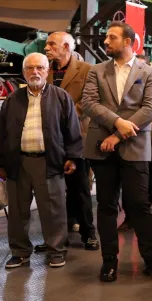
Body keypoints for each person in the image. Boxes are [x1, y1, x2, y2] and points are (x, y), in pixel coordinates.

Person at [81, 23, 152, 283]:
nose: (106, 41)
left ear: (128, 41)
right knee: (107, 206)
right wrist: (117, 122)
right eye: (107, 37)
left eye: (112, 37)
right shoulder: (97, 71)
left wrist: (117, 135)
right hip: (101, 148)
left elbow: (151, 108)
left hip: (133, 146)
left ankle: (151, 260)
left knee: (139, 205)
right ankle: (109, 262)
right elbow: (88, 103)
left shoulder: (148, 72)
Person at [0, 54, 82, 269]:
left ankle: (56, 251)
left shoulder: (61, 97)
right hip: (18, 162)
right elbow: (2, 133)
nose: (35, 72)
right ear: (24, 73)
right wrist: (1, 163)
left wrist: (72, 156)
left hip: (49, 161)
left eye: (40, 68)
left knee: (53, 209)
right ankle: (20, 252)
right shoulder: (12, 100)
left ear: (47, 70)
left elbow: (72, 129)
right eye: (30, 68)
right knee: (17, 211)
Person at [44, 31, 98, 250]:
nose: (46, 48)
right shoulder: (44, 70)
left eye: (51, 44)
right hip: (49, 139)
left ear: (66, 47)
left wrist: (59, 118)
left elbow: (86, 102)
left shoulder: (87, 71)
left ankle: (88, 233)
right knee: (52, 190)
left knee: (80, 187)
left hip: (75, 137)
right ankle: (57, 235)